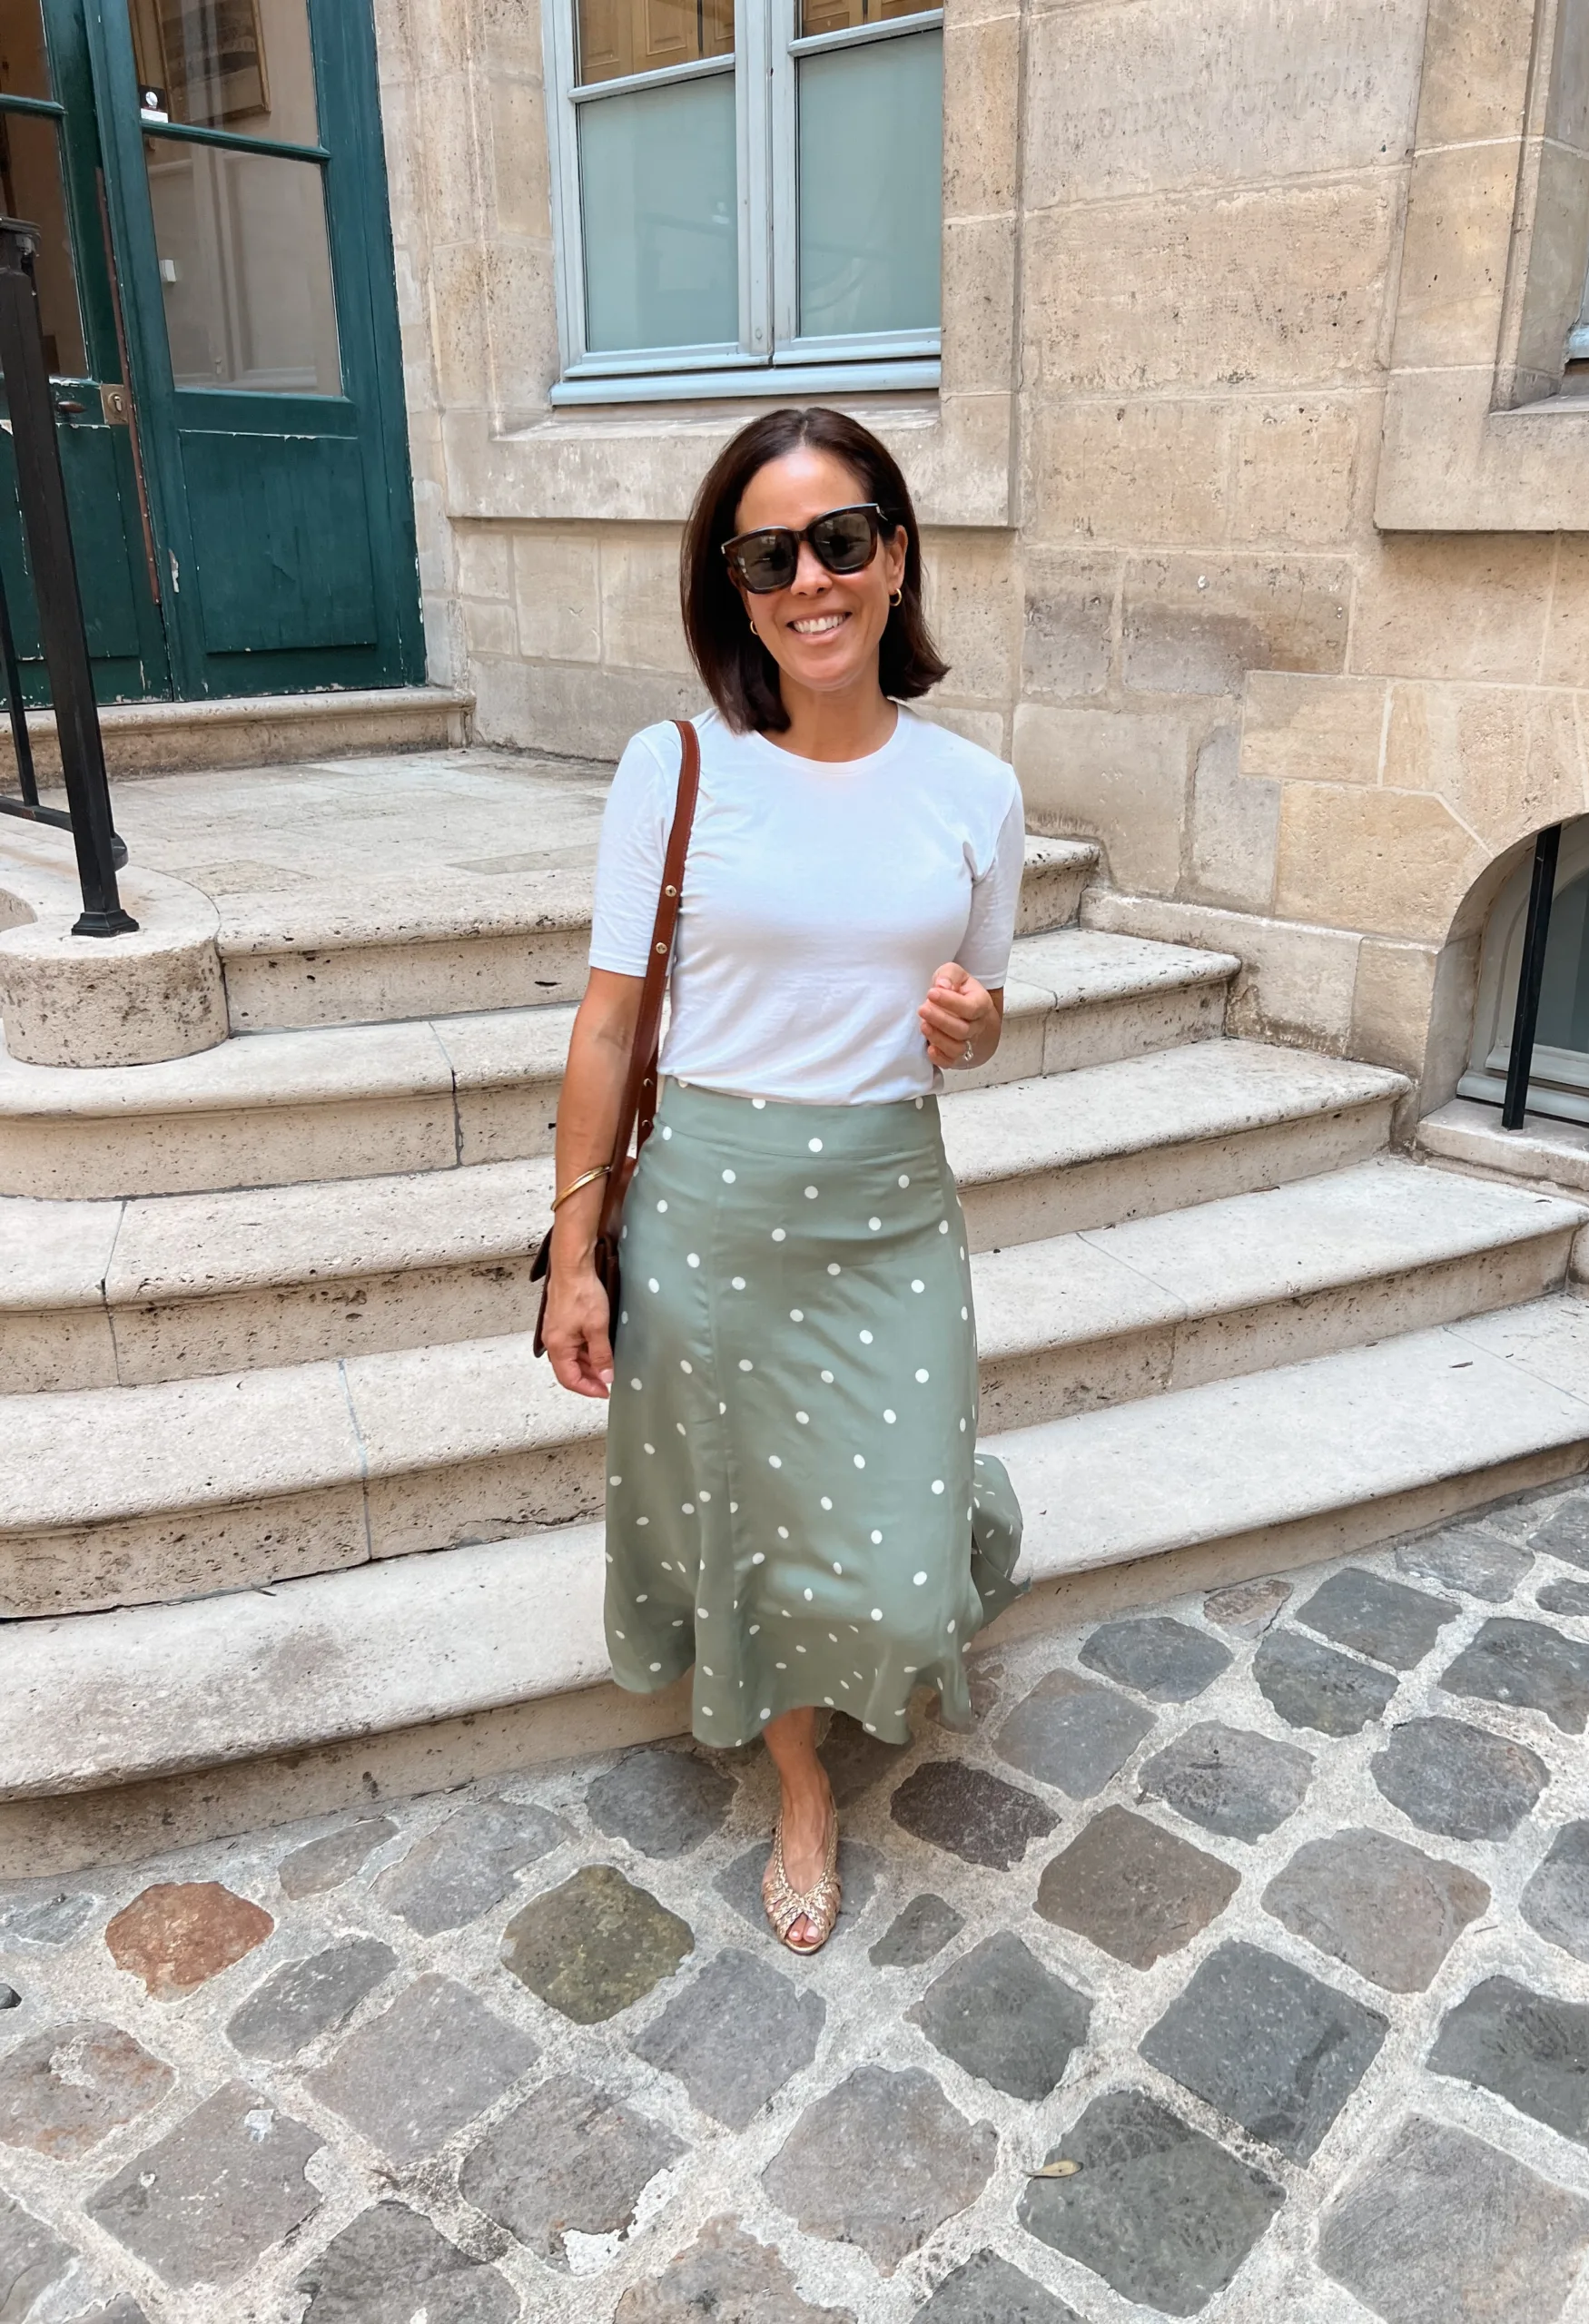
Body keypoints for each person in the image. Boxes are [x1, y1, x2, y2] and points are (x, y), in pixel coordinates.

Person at [540, 405, 1024, 1952]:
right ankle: (802, 1780)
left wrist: (973, 1028)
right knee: (750, 1524)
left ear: (895, 558)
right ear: (735, 587)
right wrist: (572, 1257)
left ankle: (954, 1532)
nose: (809, 579)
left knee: (895, 1575)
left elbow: (981, 1013)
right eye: (769, 553)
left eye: (840, 540)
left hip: (887, 1209)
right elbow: (611, 1022)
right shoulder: (676, 770)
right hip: (711, 1214)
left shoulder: (976, 794)